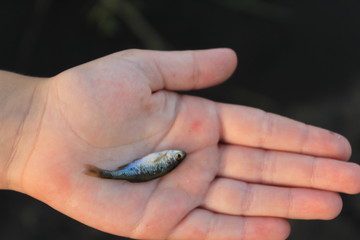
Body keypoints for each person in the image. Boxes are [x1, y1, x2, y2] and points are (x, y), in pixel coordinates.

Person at [0, 48, 359, 240]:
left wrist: (32, 120)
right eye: (175, 156)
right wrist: (33, 120)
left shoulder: (160, 162)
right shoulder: (166, 160)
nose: (173, 156)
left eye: (173, 157)